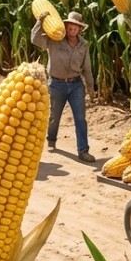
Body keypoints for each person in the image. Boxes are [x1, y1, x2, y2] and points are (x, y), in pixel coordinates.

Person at [32, 10, 96, 162]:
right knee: (54, 116)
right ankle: (51, 139)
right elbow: (35, 40)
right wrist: (39, 22)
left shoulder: (84, 45)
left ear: (80, 29)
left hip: (76, 85)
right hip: (56, 84)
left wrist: (90, 87)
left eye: (76, 26)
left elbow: (87, 67)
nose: (72, 29)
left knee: (80, 119)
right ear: (66, 26)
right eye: (70, 26)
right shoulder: (54, 39)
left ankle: (83, 150)